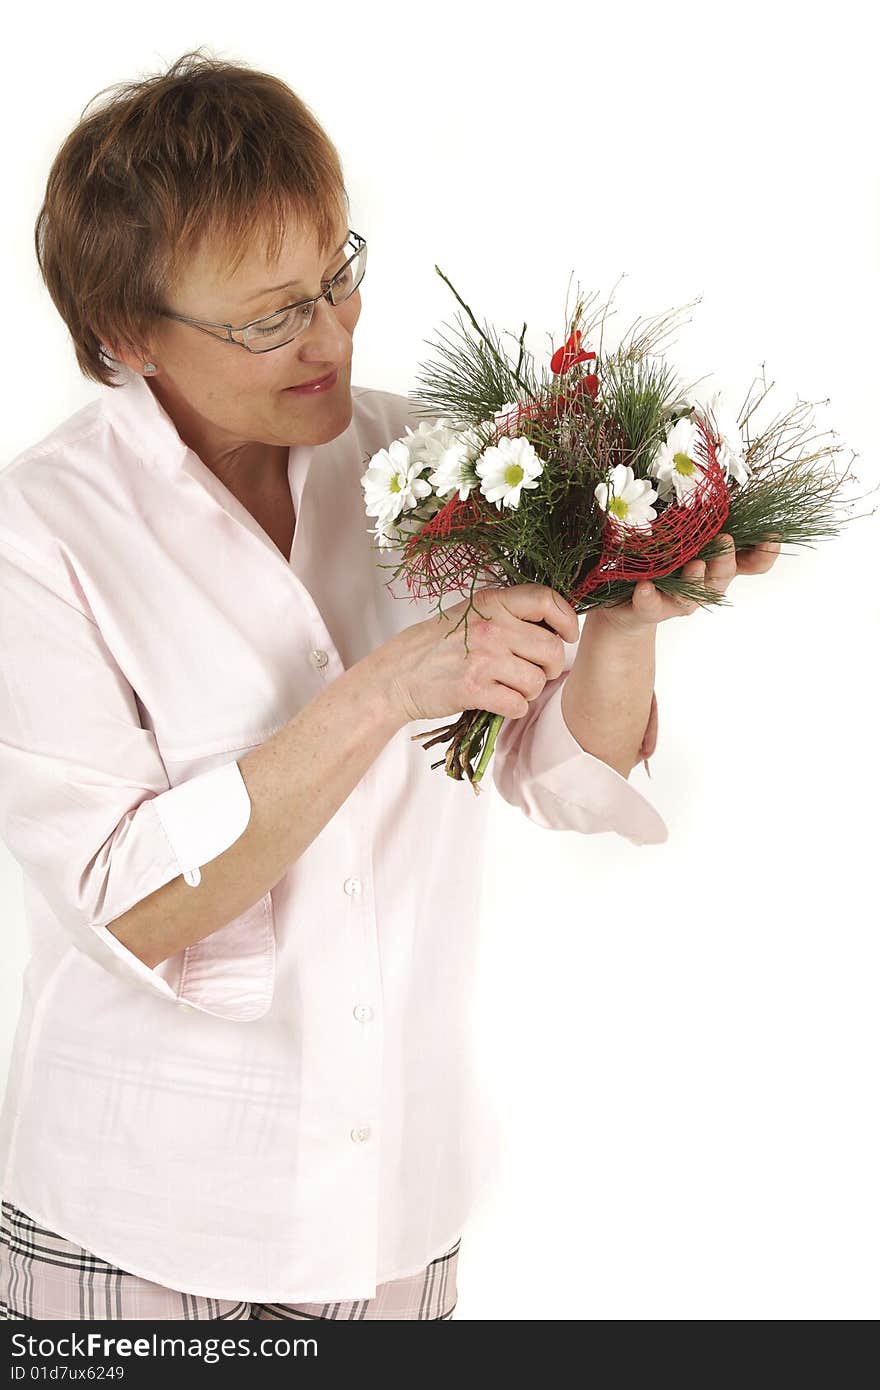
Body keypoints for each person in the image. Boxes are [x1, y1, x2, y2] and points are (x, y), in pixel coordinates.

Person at [0, 49, 778, 1322]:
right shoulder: (39, 533)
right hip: (142, 1228)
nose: (328, 337)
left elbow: (565, 779)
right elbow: (125, 909)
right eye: (267, 316)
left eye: (335, 278)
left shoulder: (426, 461)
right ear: (123, 336)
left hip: (392, 1215)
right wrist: (380, 690)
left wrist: (631, 620)